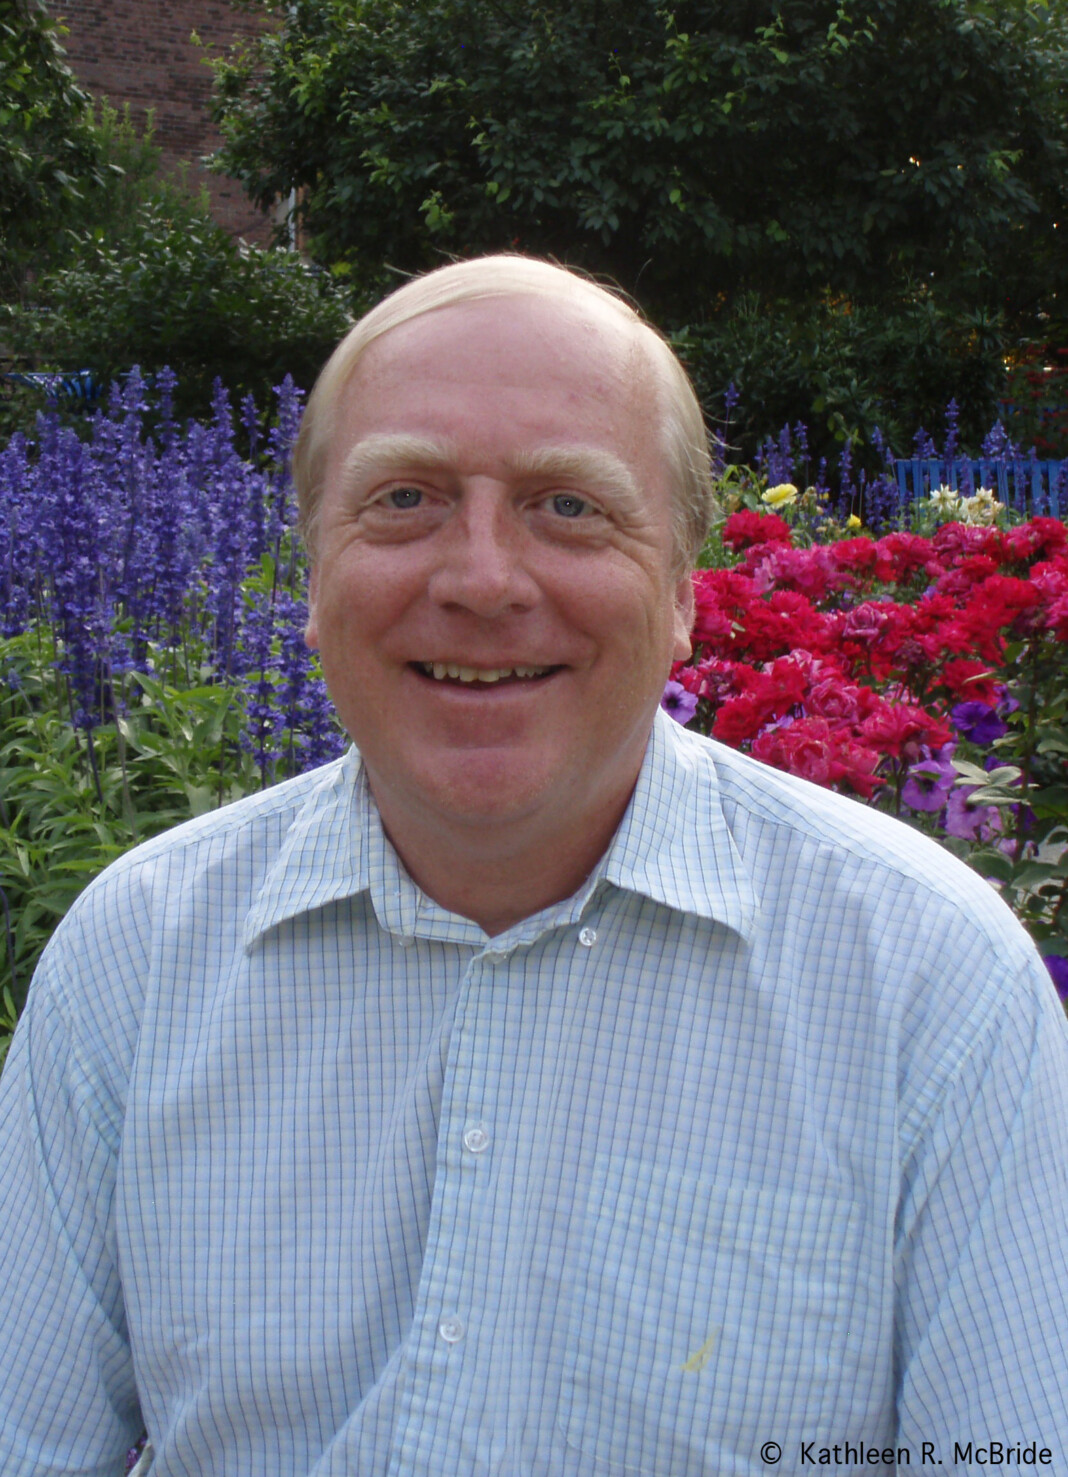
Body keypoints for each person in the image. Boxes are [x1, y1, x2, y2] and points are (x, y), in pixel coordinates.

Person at [1, 256, 1067, 1477]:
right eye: (404, 498)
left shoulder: (927, 984)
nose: (482, 580)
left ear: (683, 591)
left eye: (569, 505)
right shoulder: (135, 961)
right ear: (312, 575)